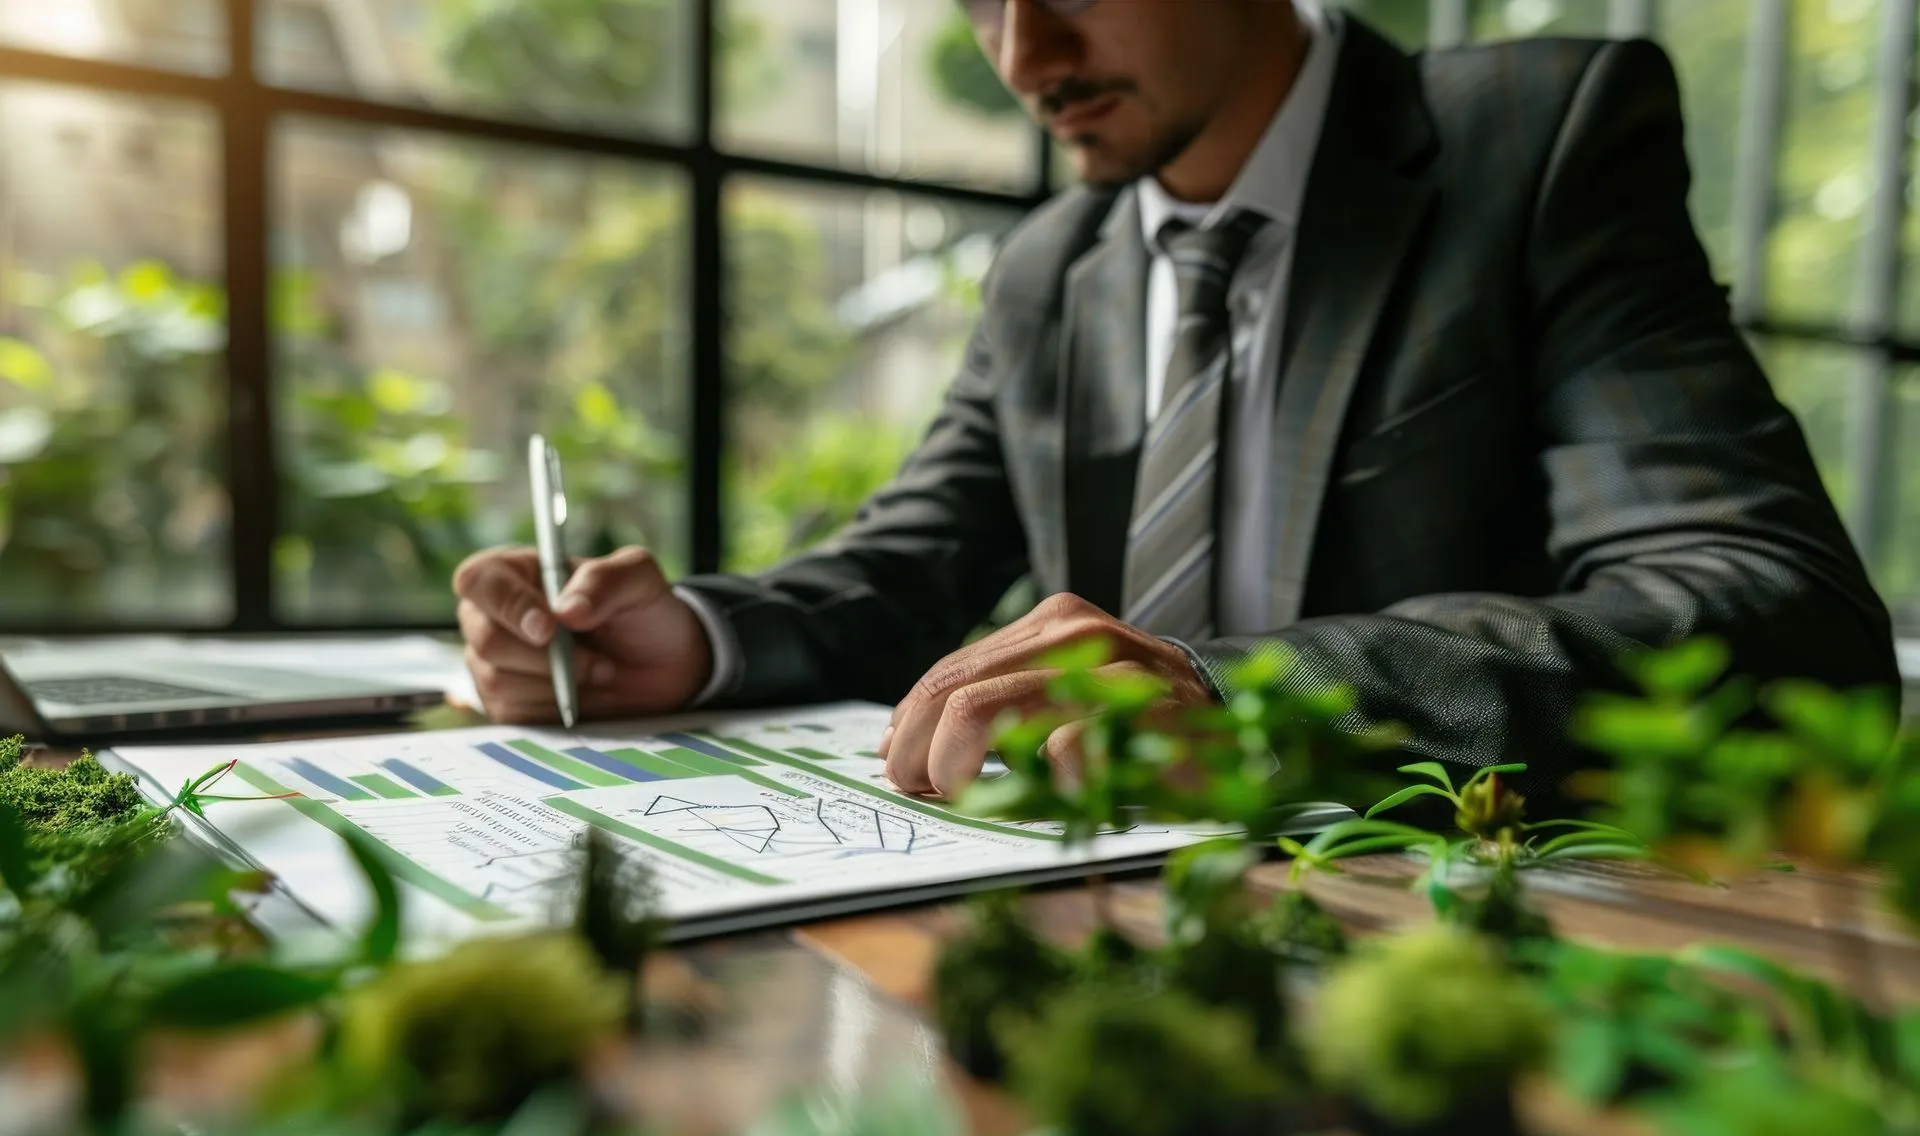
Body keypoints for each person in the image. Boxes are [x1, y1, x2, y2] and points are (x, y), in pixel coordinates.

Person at [453, 0, 1897, 803]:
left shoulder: (1531, 148)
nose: (1025, 57)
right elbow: (908, 567)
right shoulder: (1050, 267)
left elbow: (1775, 609)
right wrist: (688, 639)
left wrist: (1245, 694)